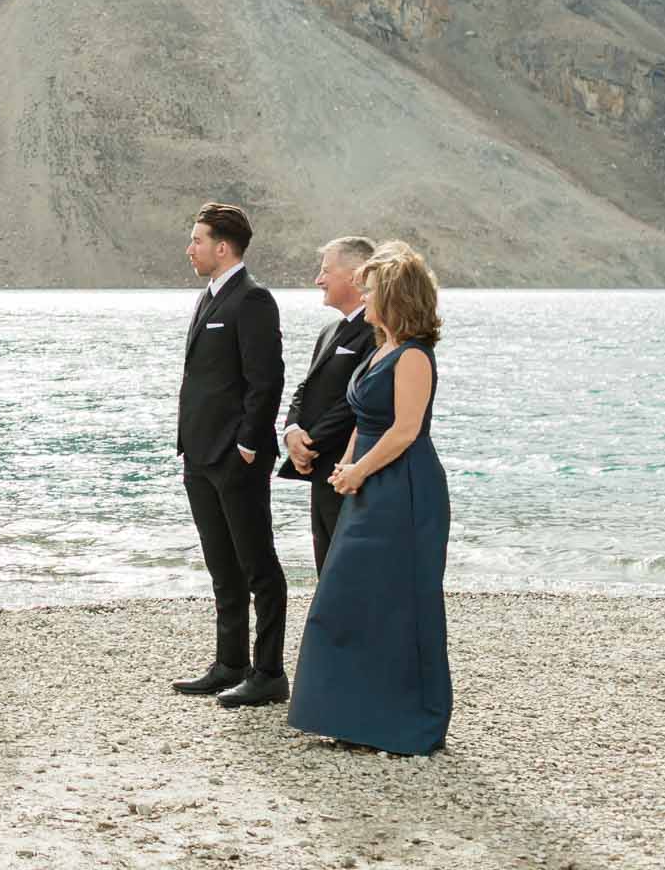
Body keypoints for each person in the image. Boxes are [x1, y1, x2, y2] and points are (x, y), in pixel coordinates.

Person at [289, 242, 453, 755]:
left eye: (373, 288)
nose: (365, 294)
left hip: (404, 489)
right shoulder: (379, 347)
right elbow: (365, 420)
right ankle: (348, 715)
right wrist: (346, 466)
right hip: (365, 484)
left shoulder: (414, 357)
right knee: (345, 598)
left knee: (396, 603)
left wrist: (359, 469)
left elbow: (405, 430)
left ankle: (400, 725)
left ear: (396, 296)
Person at [171, 201, 289, 709]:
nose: (189, 247)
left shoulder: (253, 299)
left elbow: (266, 381)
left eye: (197, 239)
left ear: (223, 247)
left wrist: (245, 444)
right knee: (222, 566)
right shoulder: (207, 298)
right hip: (198, 455)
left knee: (257, 564)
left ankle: (269, 672)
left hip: (234, 458)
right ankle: (229, 663)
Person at [278, 237, 376, 573]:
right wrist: (291, 432)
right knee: (326, 564)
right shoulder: (329, 330)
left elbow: (357, 401)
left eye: (325, 271)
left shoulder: (376, 332)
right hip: (318, 469)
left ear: (355, 275)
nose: (318, 280)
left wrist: (311, 444)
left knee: (349, 568)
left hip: (349, 468)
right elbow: (306, 387)